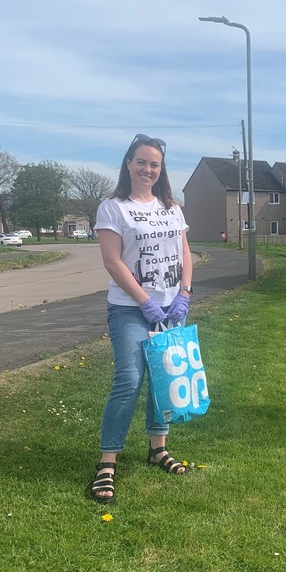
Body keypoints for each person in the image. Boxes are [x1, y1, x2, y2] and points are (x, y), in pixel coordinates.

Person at [87, 133, 194, 504]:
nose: (148, 169)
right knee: (129, 379)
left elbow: (185, 253)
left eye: (155, 164)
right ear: (129, 164)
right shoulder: (113, 207)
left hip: (171, 307)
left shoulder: (172, 206)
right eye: (142, 162)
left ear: (161, 169)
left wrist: (185, 293)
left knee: (163, 379)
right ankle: (107, 461)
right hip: (131, 308)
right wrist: (145, 301)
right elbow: (112, 261)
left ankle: (158, 448)